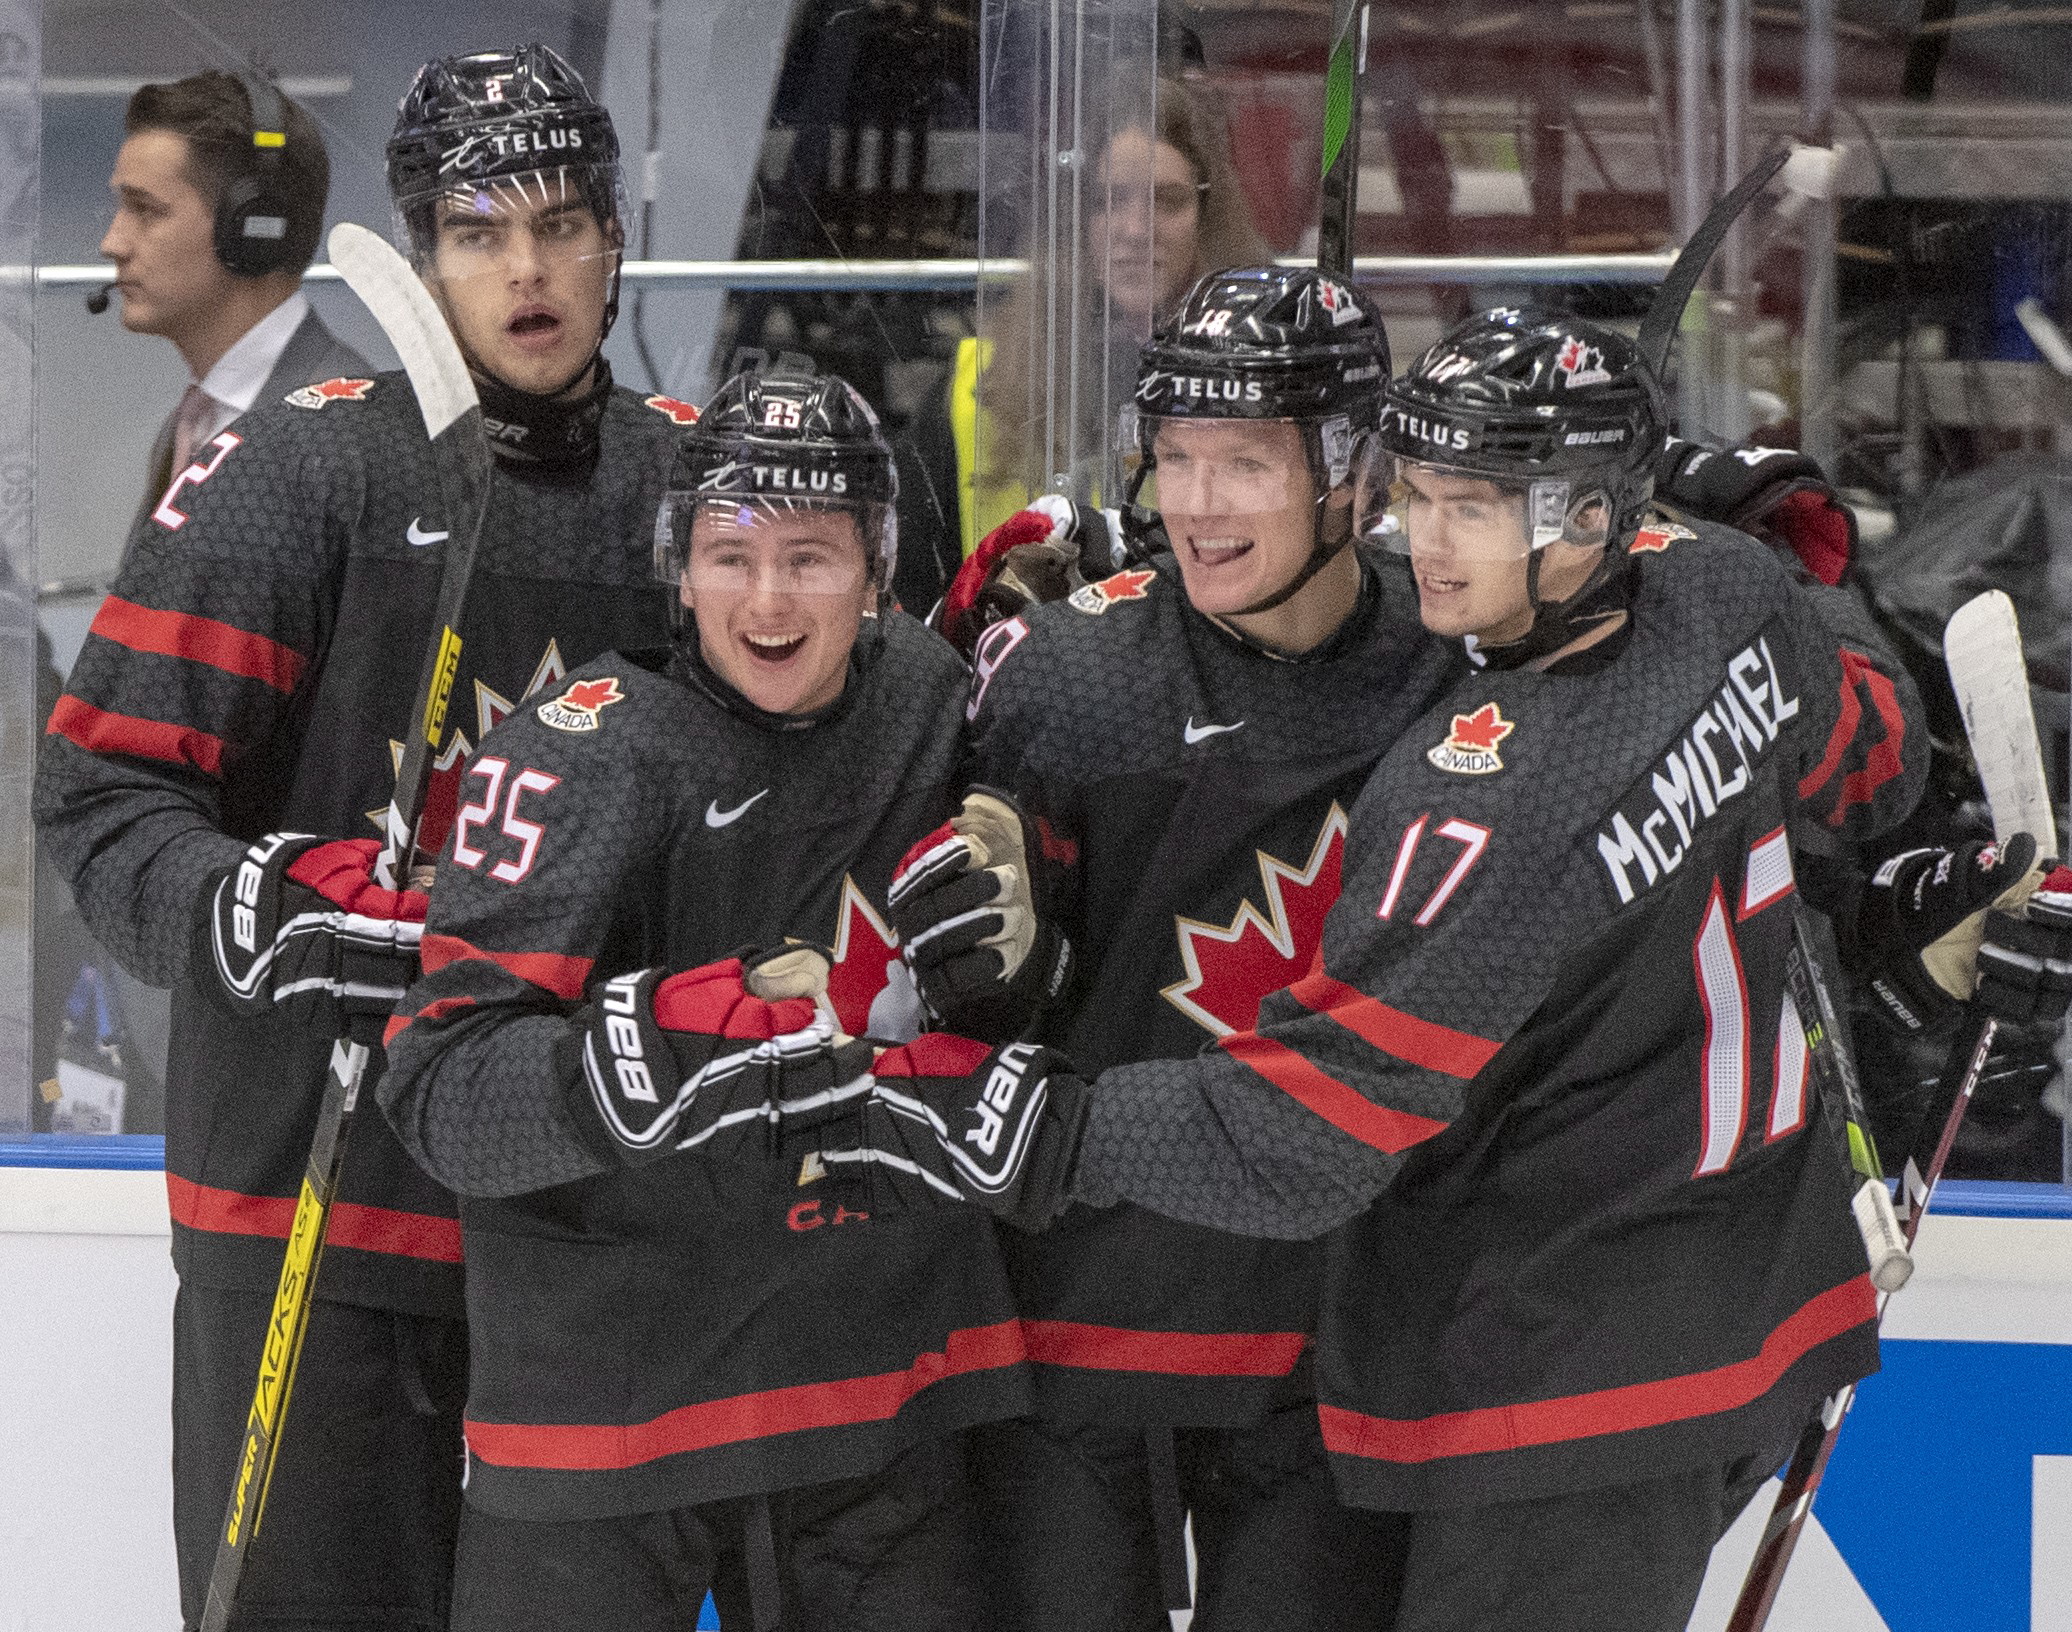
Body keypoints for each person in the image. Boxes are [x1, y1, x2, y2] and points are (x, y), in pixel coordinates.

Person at [819, 306, 1977, 1631]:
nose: (1428, 543)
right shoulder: (1718, 586)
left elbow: (1304, 1133)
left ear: (1592, 521)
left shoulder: (1482, 792)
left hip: (1555, 1360)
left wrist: (1020, 1119)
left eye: (1473, 509)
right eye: (1424, 498)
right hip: (1743, 1298)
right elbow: (1876, 767)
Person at [35, 44, 694, 1631]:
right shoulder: (302, 466)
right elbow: (102, 799)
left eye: (559, 222)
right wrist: (248, 902)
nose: (527, 269)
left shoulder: (694, 486)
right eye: (479, 232)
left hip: (588, 1222)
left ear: (617, 235)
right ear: (421, 250)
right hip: (316, 1212)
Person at [377, 361, 1028, 1632]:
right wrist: (661, 1040)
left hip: (872, 1391)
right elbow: (442, 1090)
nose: (768, 598)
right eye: (729, 554)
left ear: (878, 568)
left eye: (812, 555)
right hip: (609, 1409)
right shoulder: (575, 756)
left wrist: (1028, 939)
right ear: (676, 568)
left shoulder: (929, 699)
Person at [893, 263, 1459, 1630]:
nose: (1197, 505)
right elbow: (983, 1017)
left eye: (1245, 464)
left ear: (1353, 470)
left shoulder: (1456, 668)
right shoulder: (1072, 676)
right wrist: (985, 961)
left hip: (1337, 1343)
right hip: (1079, 1323)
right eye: (1178, 459)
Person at [894, 76, 1271, 610]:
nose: (1137, 230)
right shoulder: (972, 390)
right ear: (1075, 221)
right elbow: (918, 607)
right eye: (1109, 202)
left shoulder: (1269, 388)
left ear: (1210, 218)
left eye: (1167, 201)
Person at [99, 70, 366, 521]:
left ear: (251, 227)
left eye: (145, 209)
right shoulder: (192, 425)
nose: (112, 243)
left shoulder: (338, 436)